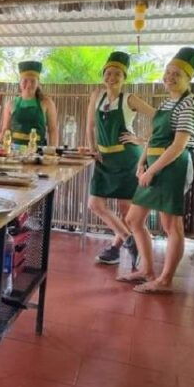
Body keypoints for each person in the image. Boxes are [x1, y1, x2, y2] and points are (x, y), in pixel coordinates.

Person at [122, 48, 194, 294]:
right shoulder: (167, 102)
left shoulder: (190, 103)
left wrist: (151, 171)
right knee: (133, 219)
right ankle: (146, 270)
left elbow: (178, 146)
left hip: (173, 167)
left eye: (177, 74)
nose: (169, 77)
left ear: (189, 78)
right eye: (168, 72)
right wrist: (142, 162)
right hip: (154, 165)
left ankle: (165, 280)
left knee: (171, 225)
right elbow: (155, 138)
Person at [86, 52, 154, 265]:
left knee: (126, 211)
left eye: (117, 73)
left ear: (124, 77)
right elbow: (90, 125)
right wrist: (92, 148)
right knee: (95, 204)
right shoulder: (97, 95)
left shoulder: (130, 99)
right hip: (104, 159)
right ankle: (128, 240)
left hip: (127, 159)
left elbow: (160, 118)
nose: (112, 77)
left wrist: (141, 139)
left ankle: (116, 249)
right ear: (103, 75)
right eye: (108, 72)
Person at [0, 60, 59, 147]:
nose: (28, 85)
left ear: (38, 83)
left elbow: (53, 130)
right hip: (14, 153)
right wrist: (0, 149)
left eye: (33, 81)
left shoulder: (47, 103)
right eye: (25, 81)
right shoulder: (11, 104)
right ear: (20, 83)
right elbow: (5, 129)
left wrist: (52, 151)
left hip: (38, 152)